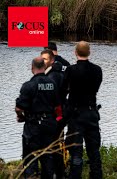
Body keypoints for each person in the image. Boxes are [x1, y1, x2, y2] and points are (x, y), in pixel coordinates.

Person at [62, 41, 103, 178]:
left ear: (75, 52)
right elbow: (95, 88)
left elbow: (63, 92)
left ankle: (75, 176)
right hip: (91, 113)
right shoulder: (97, 70)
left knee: (76, 150)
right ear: (89, 52)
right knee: (94, 150)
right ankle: (96, 175)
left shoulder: (70, 70)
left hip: (76, 114)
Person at [15, 57, 59, 178]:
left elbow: (19, 108)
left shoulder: (29, 85)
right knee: (47, 157)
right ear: (45, 67)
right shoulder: (53, 84)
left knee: (30, 158)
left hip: (33, 126)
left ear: (32, 67)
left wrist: (21, 117)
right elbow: (57, 106)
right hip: (49, 124)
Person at [41, 49, 66, 179]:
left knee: (52, 145)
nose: (42, 61)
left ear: (52, 60)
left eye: (45, 59)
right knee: (57, 143)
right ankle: (59, 171)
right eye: (41, 59)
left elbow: (53, 97)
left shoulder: (52, 76)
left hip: (54, 115)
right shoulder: (53, 74)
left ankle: (55, 173)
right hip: (58, 113)